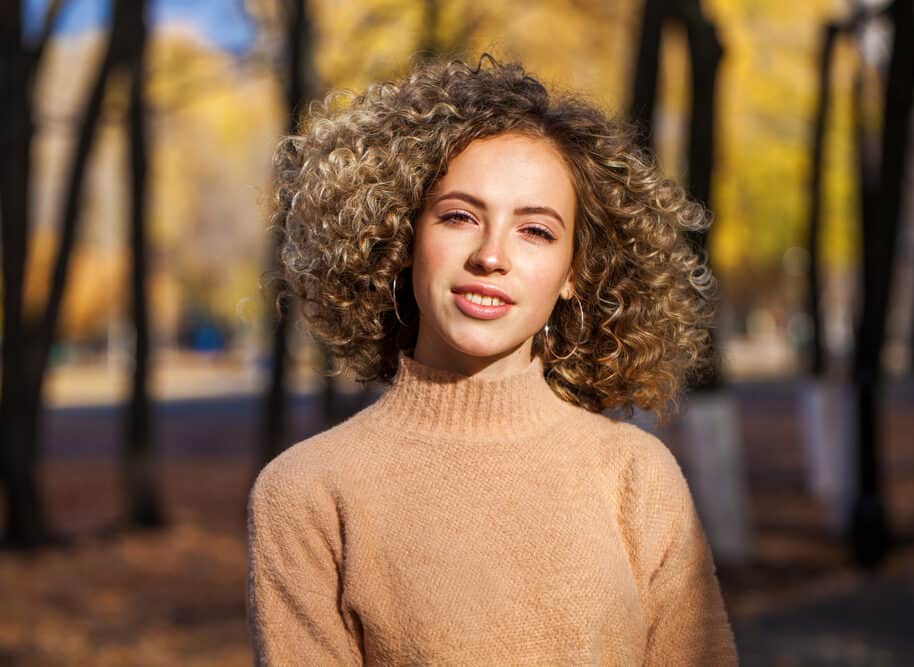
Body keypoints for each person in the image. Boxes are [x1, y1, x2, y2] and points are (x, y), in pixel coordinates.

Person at [246, 55, 738, 666]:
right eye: (459, 217)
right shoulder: (307, 492)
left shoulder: (635, 475)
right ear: (403, 239)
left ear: (574, 273)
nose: (491, 255)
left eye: (536, 230)